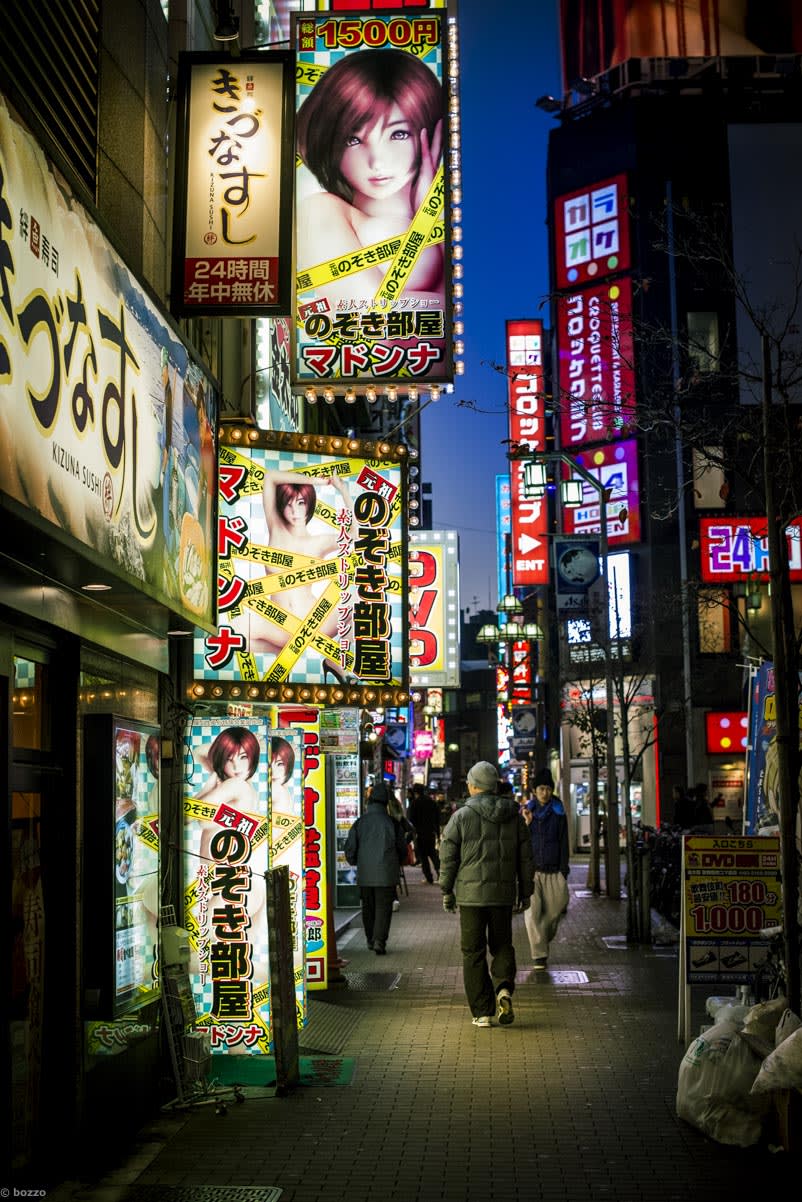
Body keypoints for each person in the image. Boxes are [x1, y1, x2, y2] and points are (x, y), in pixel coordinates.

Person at [296, 49, 444, 312]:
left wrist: (428, 209)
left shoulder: (435, 217)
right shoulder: (321, 210)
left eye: (398, 134)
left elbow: (459, 314)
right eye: (353, 140)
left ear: (429, 131)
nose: (376, 161)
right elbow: (366, 315)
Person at [234, 467, 356, 684]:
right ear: (281, 507)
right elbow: (271, 477)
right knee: (234, 630)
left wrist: (342, 490)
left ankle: (334, 660)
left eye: (301, 503)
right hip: (278, 625)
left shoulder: (318, 542)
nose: (295, 511)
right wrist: (317, 481)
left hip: (313, 624)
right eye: (289, 504)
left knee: (357, 605)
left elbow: (355, 536)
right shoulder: (277, 529)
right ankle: (282, 653)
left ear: (309, 505)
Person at [439, 761, 533, 1029]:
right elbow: (526, 857)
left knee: (473, 952)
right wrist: (525, 891)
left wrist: (446, 889)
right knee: (502, 945)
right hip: (502, 896)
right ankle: (503, 989)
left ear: (473, 785)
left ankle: (482, 1012)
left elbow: (448, 856)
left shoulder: (461, 816)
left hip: (470, 898)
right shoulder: (514, 816)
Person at [344, 782, 408, 955]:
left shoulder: (360, 823)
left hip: (365, 874)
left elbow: (350, 848)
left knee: (368, 908)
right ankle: (380, 940)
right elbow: (402, 849)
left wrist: (356, 861)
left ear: (370, 802)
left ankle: (370, 939)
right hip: (387, 873)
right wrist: (396, 861)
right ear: (385, 803)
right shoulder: (393, 824)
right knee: (383, 908)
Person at [521, 769, 570, 971]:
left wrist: (563, 870)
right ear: (534, 791)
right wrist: (527, 824)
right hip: (533, 872)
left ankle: (542, 938)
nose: (545, 792)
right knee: (532, 914)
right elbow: (521, 842)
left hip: (554, 870)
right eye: (541, 788)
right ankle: (539, 955)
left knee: (555, 910)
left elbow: (563, 842)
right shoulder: (527, 813)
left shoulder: (559, 812)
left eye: (548, 788)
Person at [407, 783, 440, 884]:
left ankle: (429, 878)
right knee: (433, 854)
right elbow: (437, 818)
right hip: (430, 832)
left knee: (423, 856)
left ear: (415, 792)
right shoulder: (432, 802)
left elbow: (411, 820)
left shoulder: (414, 803)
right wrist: (437, 832)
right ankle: (441, 874)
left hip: (419, 833)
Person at [270, 735, 295, 810]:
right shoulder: (285, 790)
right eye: (269, 765)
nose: (273, 771)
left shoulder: (277, 789)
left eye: (280, 764)